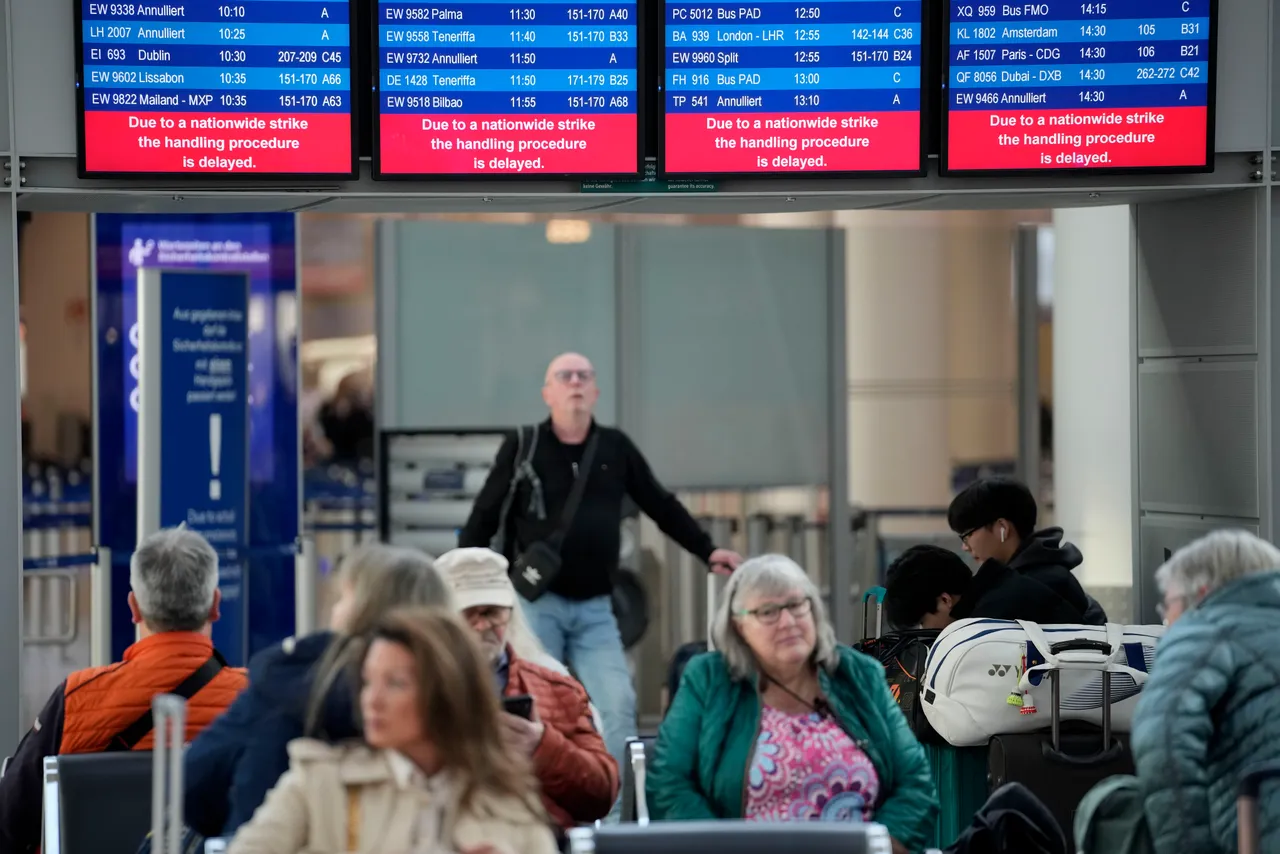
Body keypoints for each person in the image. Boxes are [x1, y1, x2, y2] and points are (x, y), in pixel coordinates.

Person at [458, 351, 743, 794]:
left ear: (595, 391)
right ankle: (544, 808)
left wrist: (707, 551)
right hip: (535, 606)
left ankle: (610, 817)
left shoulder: (614, 448)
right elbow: (484, 516)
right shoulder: (524, 445)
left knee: (617, 705)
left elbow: (659, 504)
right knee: (540, 706)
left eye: (583, 376)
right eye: (564, 376)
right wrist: (462, 585)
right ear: (547, 392)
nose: (575, 383)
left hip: (595, 608)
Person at [647, 554, 938, 854]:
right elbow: (668, 784)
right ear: (739, 627)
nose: (788, 622)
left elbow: (915, 783)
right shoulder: (708, 679)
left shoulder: (857, 674)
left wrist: (885, 846)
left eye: (797, 605)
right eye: (768, 612)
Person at [227, 608, 559, 854]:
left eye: (395, 683)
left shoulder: (507, 799)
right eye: (369, 681)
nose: (372, 699)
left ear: (446, 692)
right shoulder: (319, 783)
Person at [0, 527, 248, 854]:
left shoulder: (78, 697)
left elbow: (10, 821)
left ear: (134, 608)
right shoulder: (255, 698)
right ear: (216, 605)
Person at [185, 544, 450, 839]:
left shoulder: (286, 686)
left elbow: (195, 783)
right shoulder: (458, 702)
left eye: (341, 598)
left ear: (361, 611)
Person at [436, 547, 618, 832]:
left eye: (492, 613)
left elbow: (602, 794)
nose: (483, 625)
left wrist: (543, 746)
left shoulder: (558, 689)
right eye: (469, 614)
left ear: (509, 613)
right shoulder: (412, 691)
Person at [1123, 530, 1280, 854]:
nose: (1167, 619)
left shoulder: (1202, 628)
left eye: (1168, 604)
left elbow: (1162, 738)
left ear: (1203, 592)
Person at [947, 476, 1106, 624]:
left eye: (967, 535)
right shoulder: (1048, 571)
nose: (965, 547)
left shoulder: (1026, 589)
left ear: (1002, 528)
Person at [884, 544, 1085, 630]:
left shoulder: (988, 624)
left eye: (922, 623)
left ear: (945, 601)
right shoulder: (1000, 588)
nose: (923, 631)